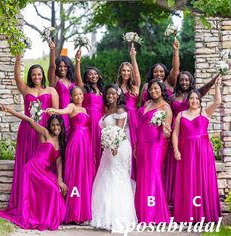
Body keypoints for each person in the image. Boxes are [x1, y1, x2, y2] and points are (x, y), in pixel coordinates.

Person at [0, 105, 67, 230]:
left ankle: (47, 217)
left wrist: (60, 179)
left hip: (44, 171)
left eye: (58, 125)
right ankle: (41, 218)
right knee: (52, 189)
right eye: (53, 125)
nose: (55, 127)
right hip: (33, 169)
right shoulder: (45, 133)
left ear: (61, 126)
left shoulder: (60, 142)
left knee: (56, 188)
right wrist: (9, 110)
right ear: (49, 126)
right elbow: (29, 120)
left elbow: (59, 161)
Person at [7, 56, 59, 213]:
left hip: (43, 132)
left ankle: (41, 204)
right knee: (26, 163)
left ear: (42, 75)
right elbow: (17, 77)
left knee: (41, 167)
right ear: (30, 76)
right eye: (33, 74)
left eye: (39, 74)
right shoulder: (25, 89)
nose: (36, 77)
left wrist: (53, 136)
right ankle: (25, 203)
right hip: (26, 131)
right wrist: (17, 59)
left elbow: (55, 115)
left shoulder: (51, 91)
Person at [164, 71, 220, 205]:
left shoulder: (205, 112)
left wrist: (217, 85)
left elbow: (217, 101)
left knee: (202, 177)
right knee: (187, 178)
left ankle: (203, 208)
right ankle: (187, 208)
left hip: (203, 150)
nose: (194, 101)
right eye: (191, 99)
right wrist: (176, 150)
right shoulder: (181, 115)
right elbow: (175, 133)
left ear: (199, 100)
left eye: (196, 99)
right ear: (187, 101)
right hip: (186, 149)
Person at [91, 84, 137, 233]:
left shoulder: (120, 110)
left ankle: (119, 218)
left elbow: (119, 130)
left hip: (118, 147)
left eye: (113, 93)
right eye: (108, 93)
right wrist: (107, 145)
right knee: (105, 178)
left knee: (117, 178)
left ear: (118, 95)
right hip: (107, 148)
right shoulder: (106, 110)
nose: (110, 96)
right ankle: (105, 217)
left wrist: (115, 145)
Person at [46, 86, 95, 224]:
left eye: (80, 94)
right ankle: (75, 213)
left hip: (86, 144)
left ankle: (84, 212)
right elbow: (64, 111)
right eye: (76, 95)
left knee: (85, 175)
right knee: (77, 174)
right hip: (77, 142)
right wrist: (55, 110)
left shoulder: (85, 109)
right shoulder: (71, 106)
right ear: (71, 97)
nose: (79, 96)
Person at [135, 78, 172, 224]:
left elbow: (167, 133)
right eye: (151, 89)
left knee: (153, 174)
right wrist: (136, 145)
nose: (153, 91)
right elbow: (140, 125)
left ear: (162, 89)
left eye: (156, 88)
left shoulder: (166, 108)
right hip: (142, 144)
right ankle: (142, 213)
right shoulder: (147, 103)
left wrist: (166, 129)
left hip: (156, 144)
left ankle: (155, 214)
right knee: (143, 176)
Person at [75, 50, 104, 170]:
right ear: (87, 77)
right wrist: (77, 62)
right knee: (90, 147)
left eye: (96, 74)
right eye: (90, 74)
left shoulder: (102, 90)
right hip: (89, 121)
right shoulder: (85, 89)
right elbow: (77, 80)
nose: (94, 76)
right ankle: (89, 172)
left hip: (100, 122)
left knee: (99, 148)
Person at [117, 45, 141, 181]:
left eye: (128, 71)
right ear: (120, 72)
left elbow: (137, 75)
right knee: (122, 149)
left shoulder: (134, 87)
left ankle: (134, 178)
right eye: (124, 71)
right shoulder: (117, 87)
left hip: (133, 119)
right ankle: (124, 178)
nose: (126, 73)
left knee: (134, 147)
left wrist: (133, 57)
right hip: (122, 120)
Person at [48, 41, 75, 139]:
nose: (62, 69)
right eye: (60, 66)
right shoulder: (55, 80)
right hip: (59, 116)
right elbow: (52, 67)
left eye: (65, 66)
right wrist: (52, 50)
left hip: (72, 116)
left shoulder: (73, 81)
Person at [141, 39, 180, 105]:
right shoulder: (146, 86)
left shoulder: (169, 83)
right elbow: (141, 103)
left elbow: (175, 68)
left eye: (161, 71)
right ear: (152, 73)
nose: (158, 74)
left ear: (165, 73)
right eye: (155, 72)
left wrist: (175, 51)